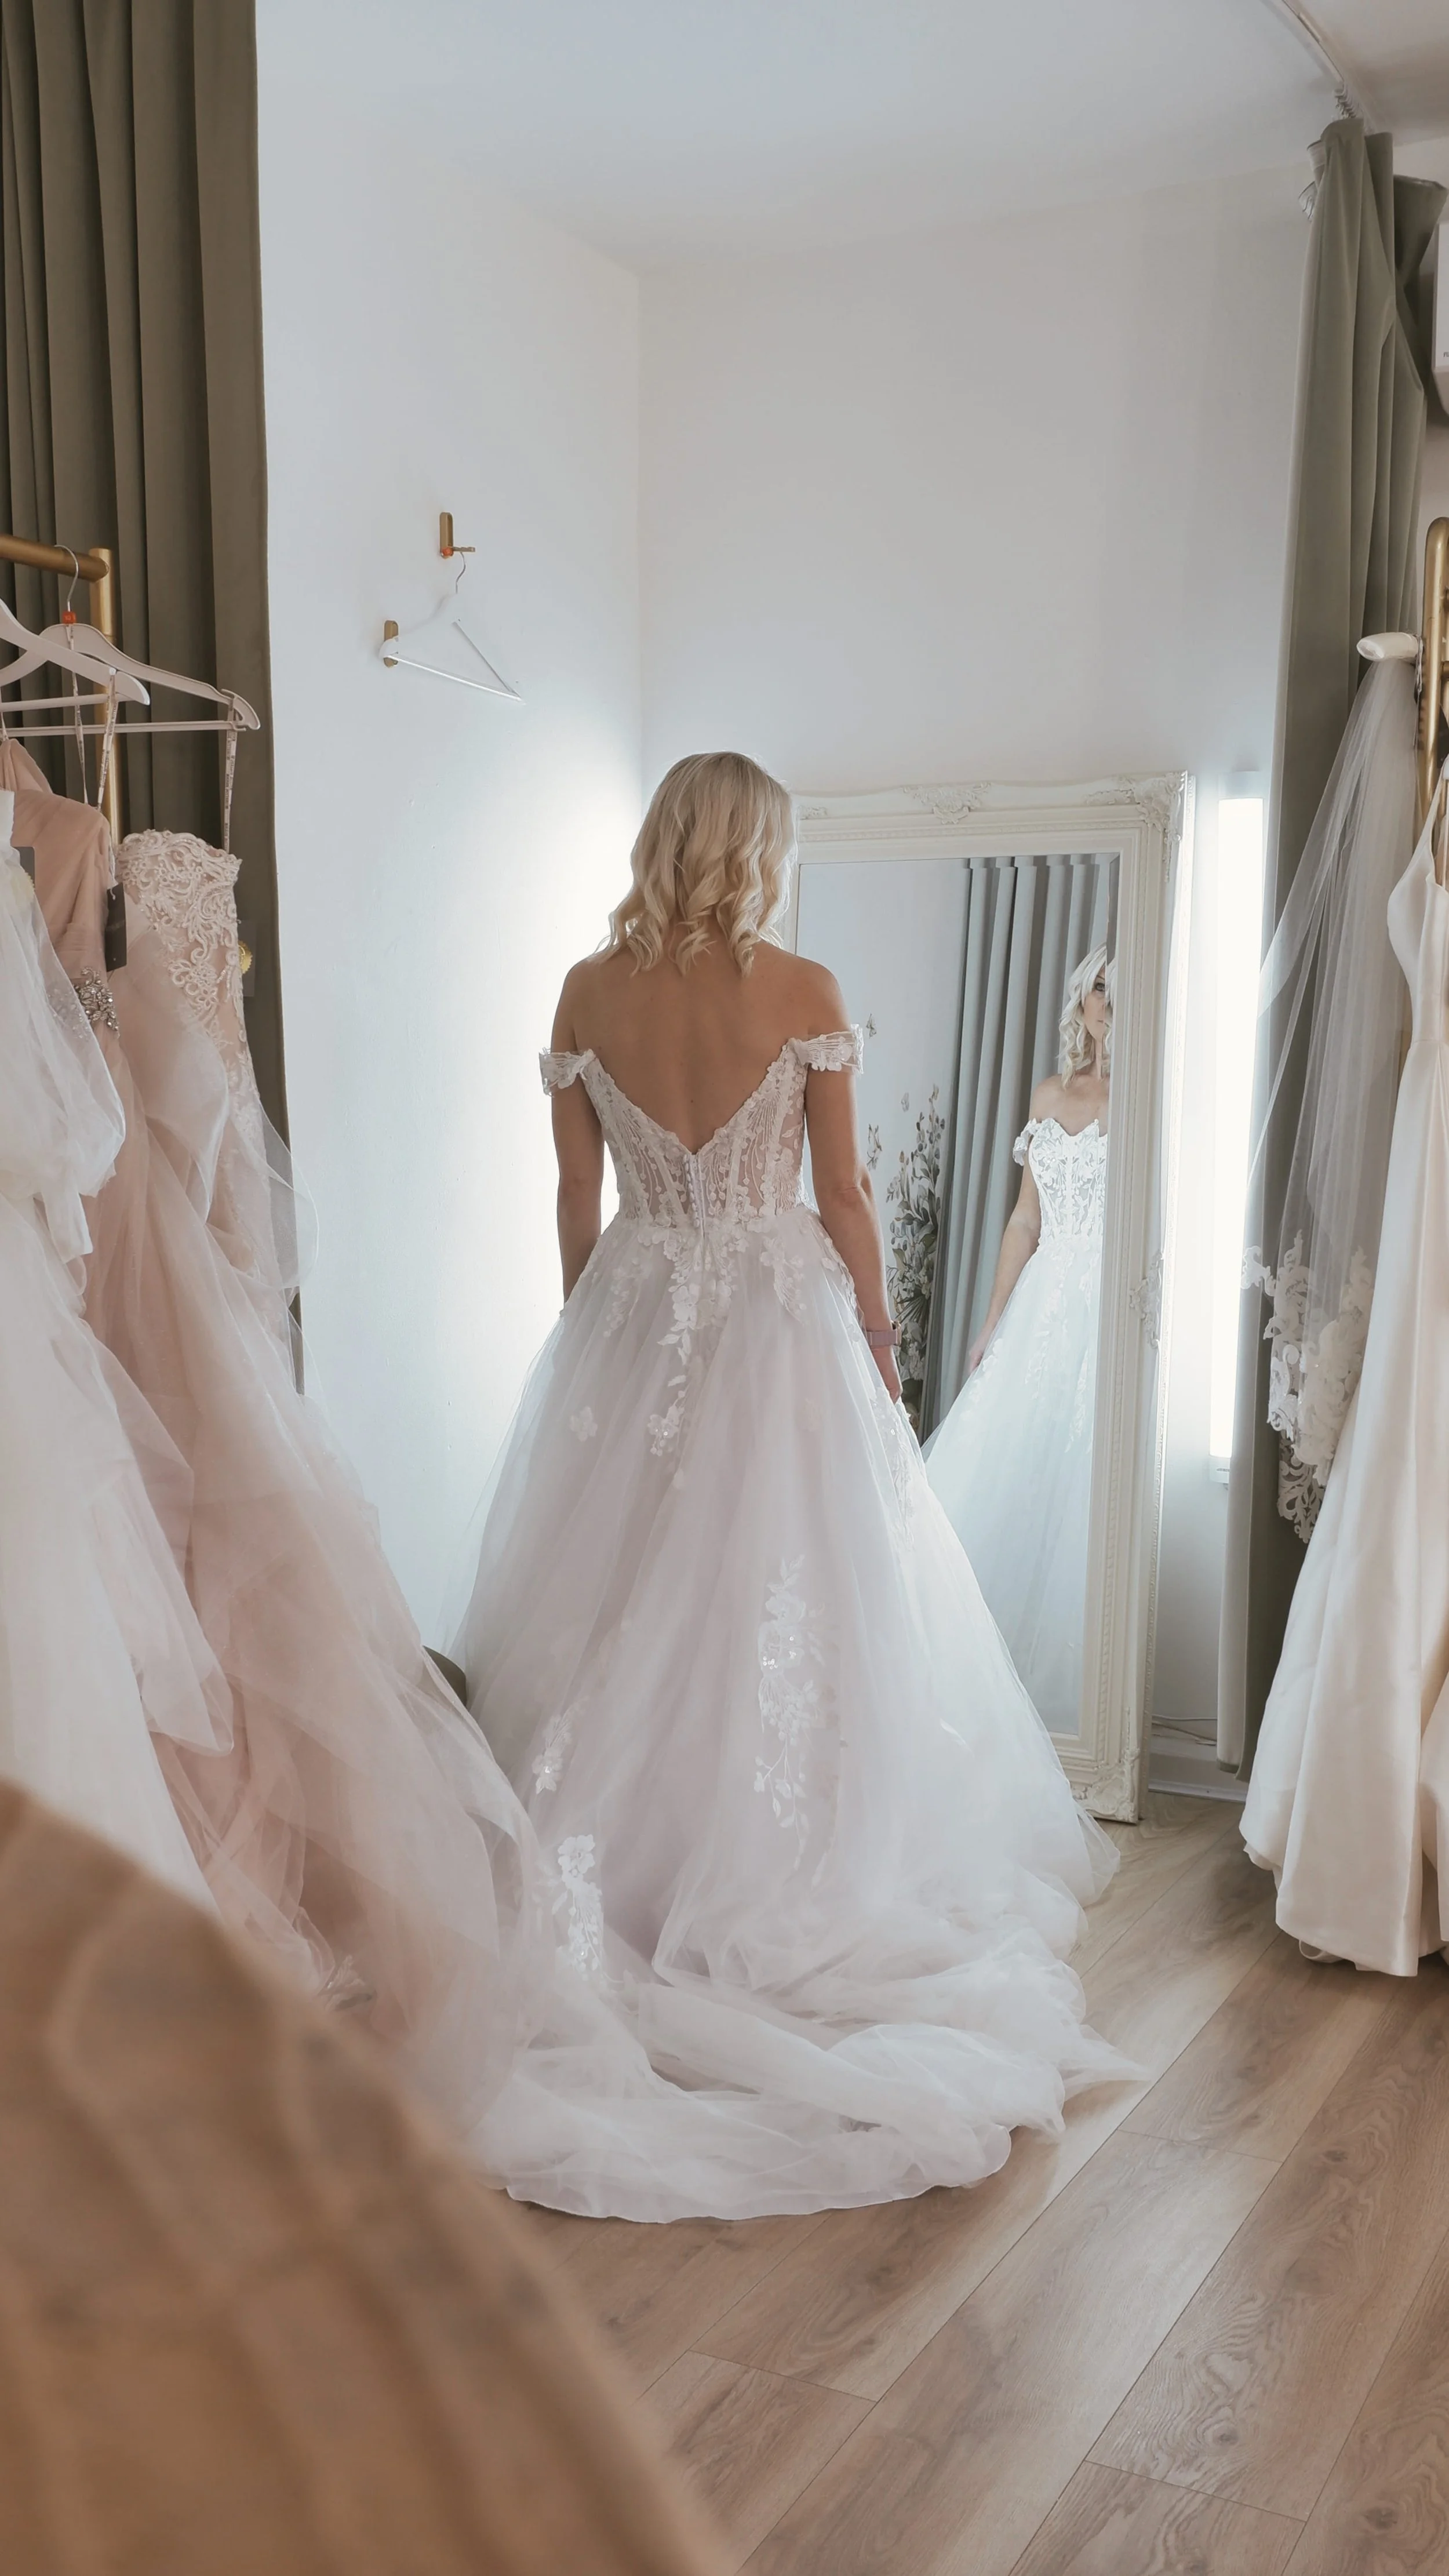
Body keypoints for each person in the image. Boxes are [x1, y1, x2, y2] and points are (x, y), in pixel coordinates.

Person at [456, 754, 1126, 2219]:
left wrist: (597, 1343)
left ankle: (615, 1881)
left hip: (631, 1303)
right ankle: (767, 1878)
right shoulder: (805, 987)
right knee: (786, 1602)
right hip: (772, 1323)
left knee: (630, 1602)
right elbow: (841, 1196)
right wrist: (885, 1347)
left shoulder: (583, 991)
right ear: (754, 848)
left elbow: (576, 1197)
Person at [925, 949, 1113, 1733]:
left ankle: (1082, 1704)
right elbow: (1025, 1220)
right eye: (1100, 986)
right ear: (1086, 1000)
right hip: (1043, 1299)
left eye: (1121, 987)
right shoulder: (1050, 1092)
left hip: (1108, 1301)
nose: (1109, 1000)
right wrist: (994, 1319)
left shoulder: (1147, 1097)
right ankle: (967, 1683)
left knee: (1079, 1483)